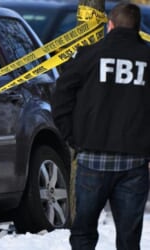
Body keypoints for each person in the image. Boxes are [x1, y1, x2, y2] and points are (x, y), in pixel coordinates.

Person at [52, 3, 150, 250]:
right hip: (135, 161)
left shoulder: (89, 55)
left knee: (83, 232)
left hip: (92, 157)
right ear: (138, 27)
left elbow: (61, 94)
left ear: (110, 25)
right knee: (129, 239)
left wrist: (71, 136)